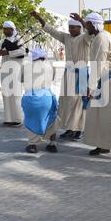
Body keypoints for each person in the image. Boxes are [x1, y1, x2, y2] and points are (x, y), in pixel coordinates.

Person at [71, 12, 111, 163]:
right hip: (104, 81)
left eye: (88, 25)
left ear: (94, 25)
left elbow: (98, 63)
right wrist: (82, 20)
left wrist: (90, 88)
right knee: (98, 114)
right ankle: (103, 145)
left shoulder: (102, 38)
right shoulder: (98, 35)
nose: (86, 28)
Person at [31, 11, 90, 141]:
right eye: (70, 27)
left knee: (79, 102)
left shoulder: (85, 38)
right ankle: (69, 128)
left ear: (80, 27)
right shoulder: (66, 37)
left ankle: (78, 129)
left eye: (73, 27)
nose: (71, 29)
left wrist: (81, 20)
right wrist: (39, 18)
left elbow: (91, 32)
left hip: (81, 74)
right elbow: (51, 30)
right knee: (66, 102)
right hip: (68, 74)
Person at [21, 48, 59, 154]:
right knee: (52, 119)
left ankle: (32, 145)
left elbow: (20, 78)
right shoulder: (50, 65)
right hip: (47, 97)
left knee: (31, 119)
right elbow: (52, 78)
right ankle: (52, 144)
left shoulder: (26, 66)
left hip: (31, 97)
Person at [0, 21, 25, 126]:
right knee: (6, 93)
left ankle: (17, 118)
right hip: (5, 68)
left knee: (15, 93)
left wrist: (8, 52)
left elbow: (23, 52)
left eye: (8, 29)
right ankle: (8, 118)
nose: (6, 31)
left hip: (16, 69)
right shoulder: (2, 40)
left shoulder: (19, 39)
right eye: (4, 29)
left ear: (13, 29)